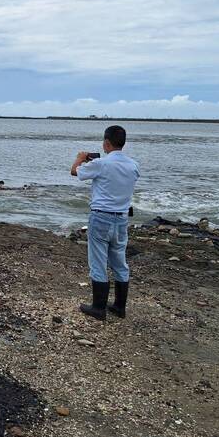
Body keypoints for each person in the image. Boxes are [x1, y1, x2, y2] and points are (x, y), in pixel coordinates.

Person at [70, 125, 140, 320]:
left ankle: (98, 308)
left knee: (98, 261)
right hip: (122, 217)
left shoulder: (101, 164)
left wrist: (80, 158)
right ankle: (119, 307)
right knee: (119, 261)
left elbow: (75, 172)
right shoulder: (133, 165)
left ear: (106, 143)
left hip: (101, 217)